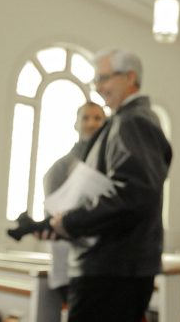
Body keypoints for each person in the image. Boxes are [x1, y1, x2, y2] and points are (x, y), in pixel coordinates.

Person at [48, 49, 172, 322]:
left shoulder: (133, 120)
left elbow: (134, 192)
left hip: (114, 268)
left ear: (130, 77)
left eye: (104, 78)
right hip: (111, 266)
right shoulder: (122, 120)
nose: (98, 87)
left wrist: (71, 221)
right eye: (96, 80)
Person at [42, 101, 106, 300]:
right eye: (85, 118)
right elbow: (52, 216)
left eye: (97, 118)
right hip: (70, 260)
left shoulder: (109, 162)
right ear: (76, 124)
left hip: (103, 261)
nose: (91, 123)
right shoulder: (60, 167)